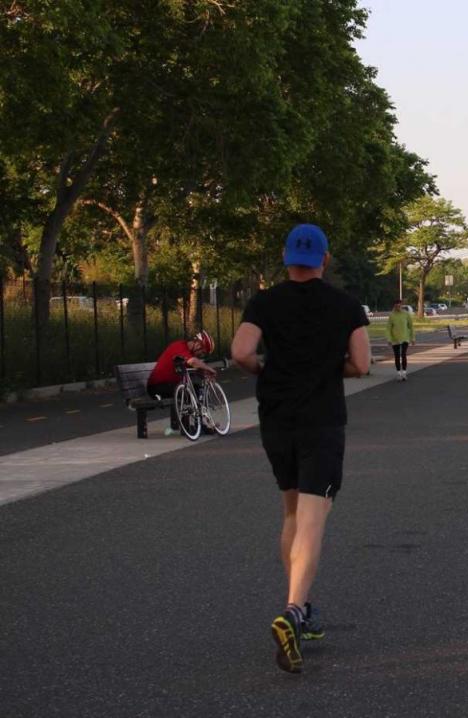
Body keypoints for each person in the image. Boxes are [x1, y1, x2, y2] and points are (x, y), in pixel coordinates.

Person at [230, 223, 371, 674]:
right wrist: (330, 371)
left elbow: (240, 352)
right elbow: (362, 364)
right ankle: (293, 610)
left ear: (287, 258)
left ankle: (301, 606)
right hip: (322, 421)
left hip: (277, 421)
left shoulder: (264, 302)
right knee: (314, 518)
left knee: (291, 512)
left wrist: (266, 370)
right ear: (324, 260)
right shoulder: (347, 307)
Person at [146, 330, 217, 398]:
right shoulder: (180, 347)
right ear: (198, 345)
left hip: (172, 384)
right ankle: (187, 410)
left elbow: (195, 368)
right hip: (158, 386)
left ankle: (196, 410)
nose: (201, 355)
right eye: (202, 352)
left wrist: (205, 375)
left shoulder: (190, 354)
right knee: (187, 393)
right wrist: (209, 368)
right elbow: (192, 362)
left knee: (199, 390)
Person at [385, 299, 415, 381]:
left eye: (399, 305)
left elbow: (411, 326)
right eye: (396, 306)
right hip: (395, 339)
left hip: (405, 338)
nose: (398, 307)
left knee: (403, 354)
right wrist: (389, 339)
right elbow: (388, 328)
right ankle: (398, 373)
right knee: (397, 356)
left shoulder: (406, 314)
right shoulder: (392, 315)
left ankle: (404, 373)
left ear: (401, 305)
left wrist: (412, 338)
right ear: (394, 306)